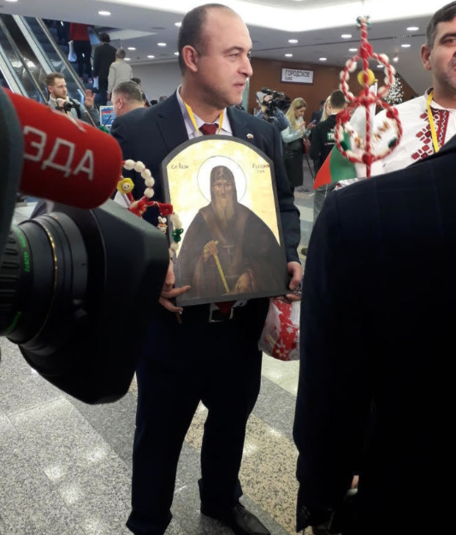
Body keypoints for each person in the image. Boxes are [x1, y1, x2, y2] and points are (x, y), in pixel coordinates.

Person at [111, 4, 302, 535]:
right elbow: (109, 220)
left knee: (231, 421)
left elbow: (284, 204)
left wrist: (287, 252)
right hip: (170, 327)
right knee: (159, 432)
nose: (248, 68)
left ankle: (221, 500)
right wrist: (147, 273)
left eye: (248, 54)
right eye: (234, 54)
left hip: (241, 322)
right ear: (192, 58)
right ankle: (148, 521)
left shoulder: (259, 133)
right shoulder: (134, 132)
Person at [293, 126, 456, 535]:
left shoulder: (358, 213)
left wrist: (322, 489)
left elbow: (330, 390)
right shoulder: (387, 126)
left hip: (407, 487)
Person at [176, 165, 286, 301]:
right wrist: (204, 256)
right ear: (211, 188)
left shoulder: (247, 216)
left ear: (233, 187)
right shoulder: (203, 217)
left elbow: (270, 256)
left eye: (227, 185)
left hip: (248, 297)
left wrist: (250, 275)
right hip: (211, 295)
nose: (223, 191)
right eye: (218, 185)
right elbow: (185, 261)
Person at [310, 90, 347, 221]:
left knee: (320, 213)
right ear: (344, 106)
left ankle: (319, 234)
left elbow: (313, 154)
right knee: (340, 212)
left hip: (325, 174)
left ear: (329, 105)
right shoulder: (350, 127)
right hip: (344, 175)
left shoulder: (320, 127)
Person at [281, 97, 310, 192]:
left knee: (294, 182)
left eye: (304, 111)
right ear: (294, 109)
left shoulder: (300, 118)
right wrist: (299, 132)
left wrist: (308, 130)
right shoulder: (286, 119)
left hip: (298, 154)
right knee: (288, 182)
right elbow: (285, 138)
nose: (302, 114)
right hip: (289, 154)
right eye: (301, 111)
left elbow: (302, 134)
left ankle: (290, 198)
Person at [93, 32, 116, 106]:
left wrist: (94, 74)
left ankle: (104, 107)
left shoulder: (98, 49)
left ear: (100, 40)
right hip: (112, 74)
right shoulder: (114, 50)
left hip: (102, 74)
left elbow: (96, 62)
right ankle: (114, 106)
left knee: (102, 92)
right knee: (112, 92)